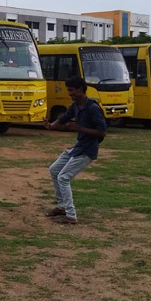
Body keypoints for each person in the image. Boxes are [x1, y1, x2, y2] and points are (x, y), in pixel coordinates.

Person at [43, 75, 106, 224]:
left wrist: (80, 128)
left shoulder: (93, 108)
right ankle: (62, 206)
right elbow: (64, 118)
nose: (69, 93)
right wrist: (51, 125)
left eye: (71, 90)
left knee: (63, 178)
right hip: (78, 148)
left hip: (87, 150)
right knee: (54, 170)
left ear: (80, 90)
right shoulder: (76, 105)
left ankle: (71, 215)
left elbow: (102, 132)